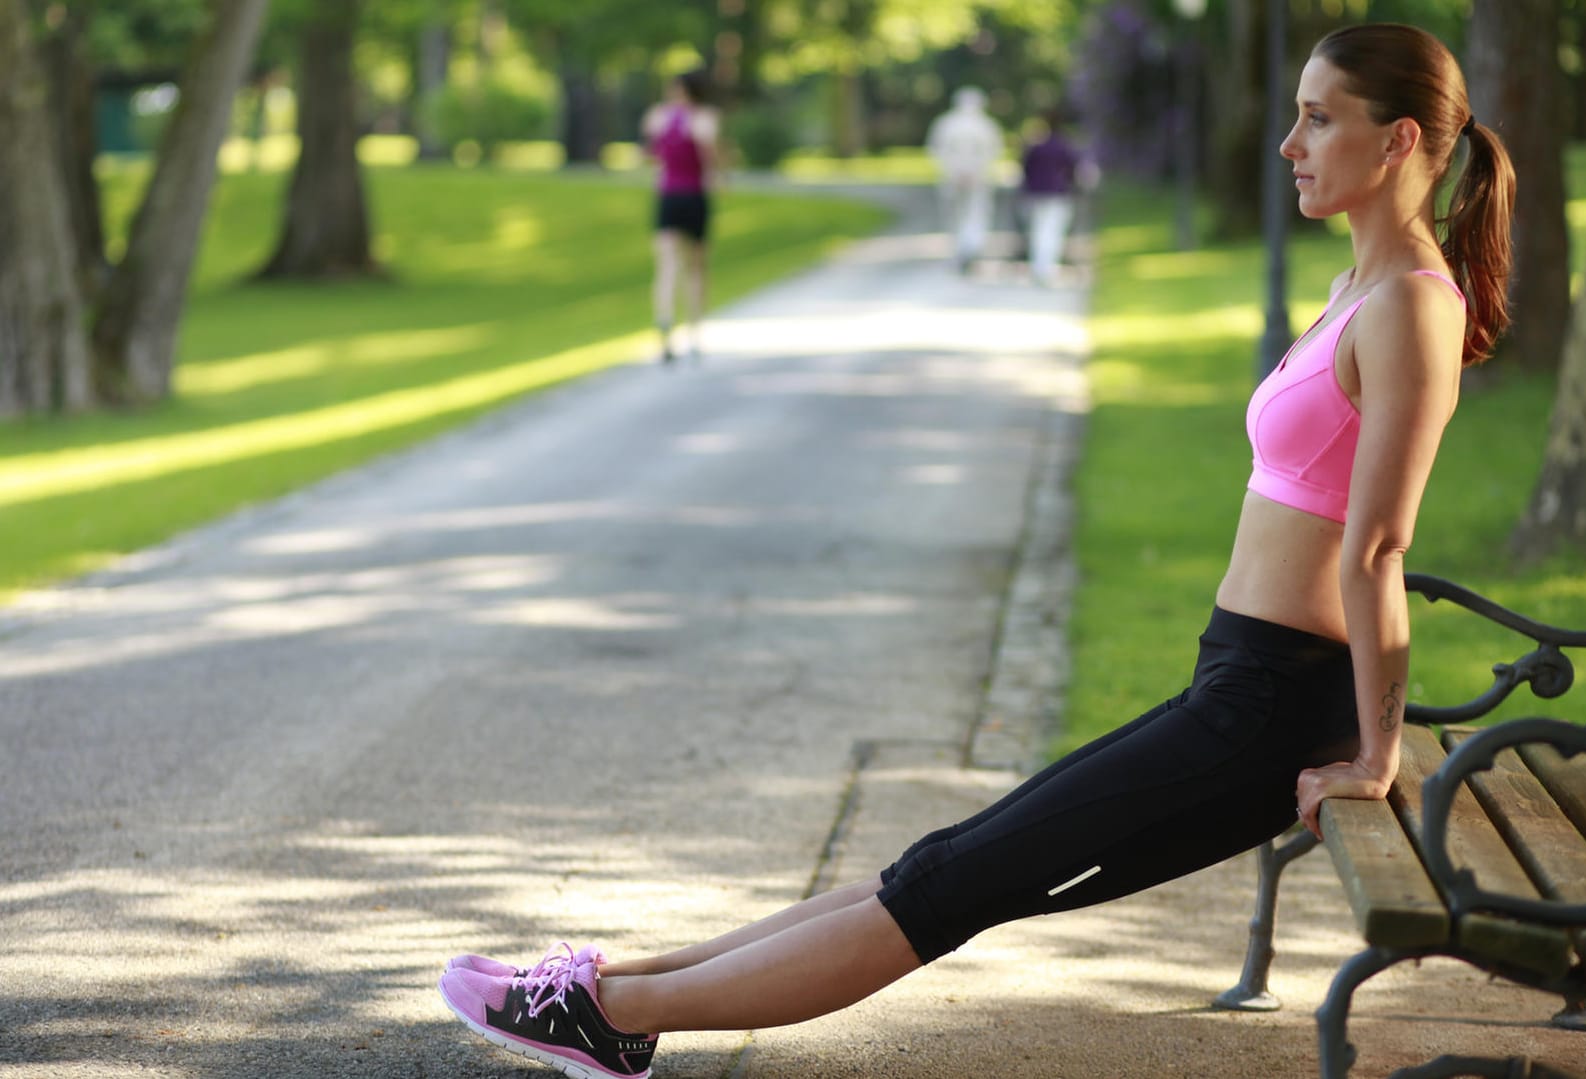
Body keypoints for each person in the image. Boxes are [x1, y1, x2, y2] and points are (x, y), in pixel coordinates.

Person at [438, 23, 1515, 1079]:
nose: (1289, 143)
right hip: (1235, 681)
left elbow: (1376, 548)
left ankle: (612, 1013)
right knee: (935, 865)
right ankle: (606, 990)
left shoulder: (1412, 309)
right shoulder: (1357, 291)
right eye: (1294, 115)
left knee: (948, 885)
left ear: (1399, 143)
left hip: (1273, 712)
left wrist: (1374, 757)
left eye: (1318, 119)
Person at [641, 69, 722, 364]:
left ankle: (665, 322)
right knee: (696, 267)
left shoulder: (658, 118)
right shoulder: (704, 119)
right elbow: (710, 160)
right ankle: (695, 333)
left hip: (668, 197)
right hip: (694, 196)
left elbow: (650, 154)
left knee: (667, 265)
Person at [925, 86, 1004, 272]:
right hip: (971, 177)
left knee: (959, 215)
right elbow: (993, 152)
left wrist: (953, 171)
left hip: (962, 177)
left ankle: (965, 249)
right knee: (972, 213)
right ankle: (968, 249)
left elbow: (936, 150)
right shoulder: (986, 125)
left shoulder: (946, 123)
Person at [1019, 109, 1086, 286]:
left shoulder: (1036, 146)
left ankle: (1039, 267)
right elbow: (1073, 170)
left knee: (1038, 231)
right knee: (1052, 232)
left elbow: (1025, 168)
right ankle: (1046, 268)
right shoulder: (1064, 145)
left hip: (1036, 194)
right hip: (1057, 194)